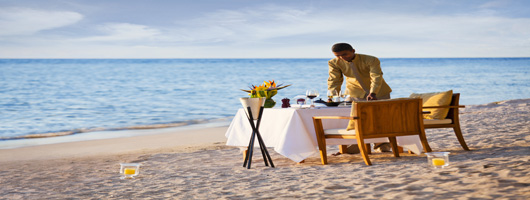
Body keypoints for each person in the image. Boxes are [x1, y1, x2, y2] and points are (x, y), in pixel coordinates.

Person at [327, 42, 392, 153]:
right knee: (355, 121)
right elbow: (334, 80)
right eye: (337, 56)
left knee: (380, 120)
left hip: (379, 93)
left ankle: (382, 145)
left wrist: (373, 92)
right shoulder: (334, 63)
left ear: (353, 51)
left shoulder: (371, 60)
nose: (341, 57)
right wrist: (332, 96)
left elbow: (376, 76)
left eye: (345, 54)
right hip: (354, 94)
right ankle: (355, 146)